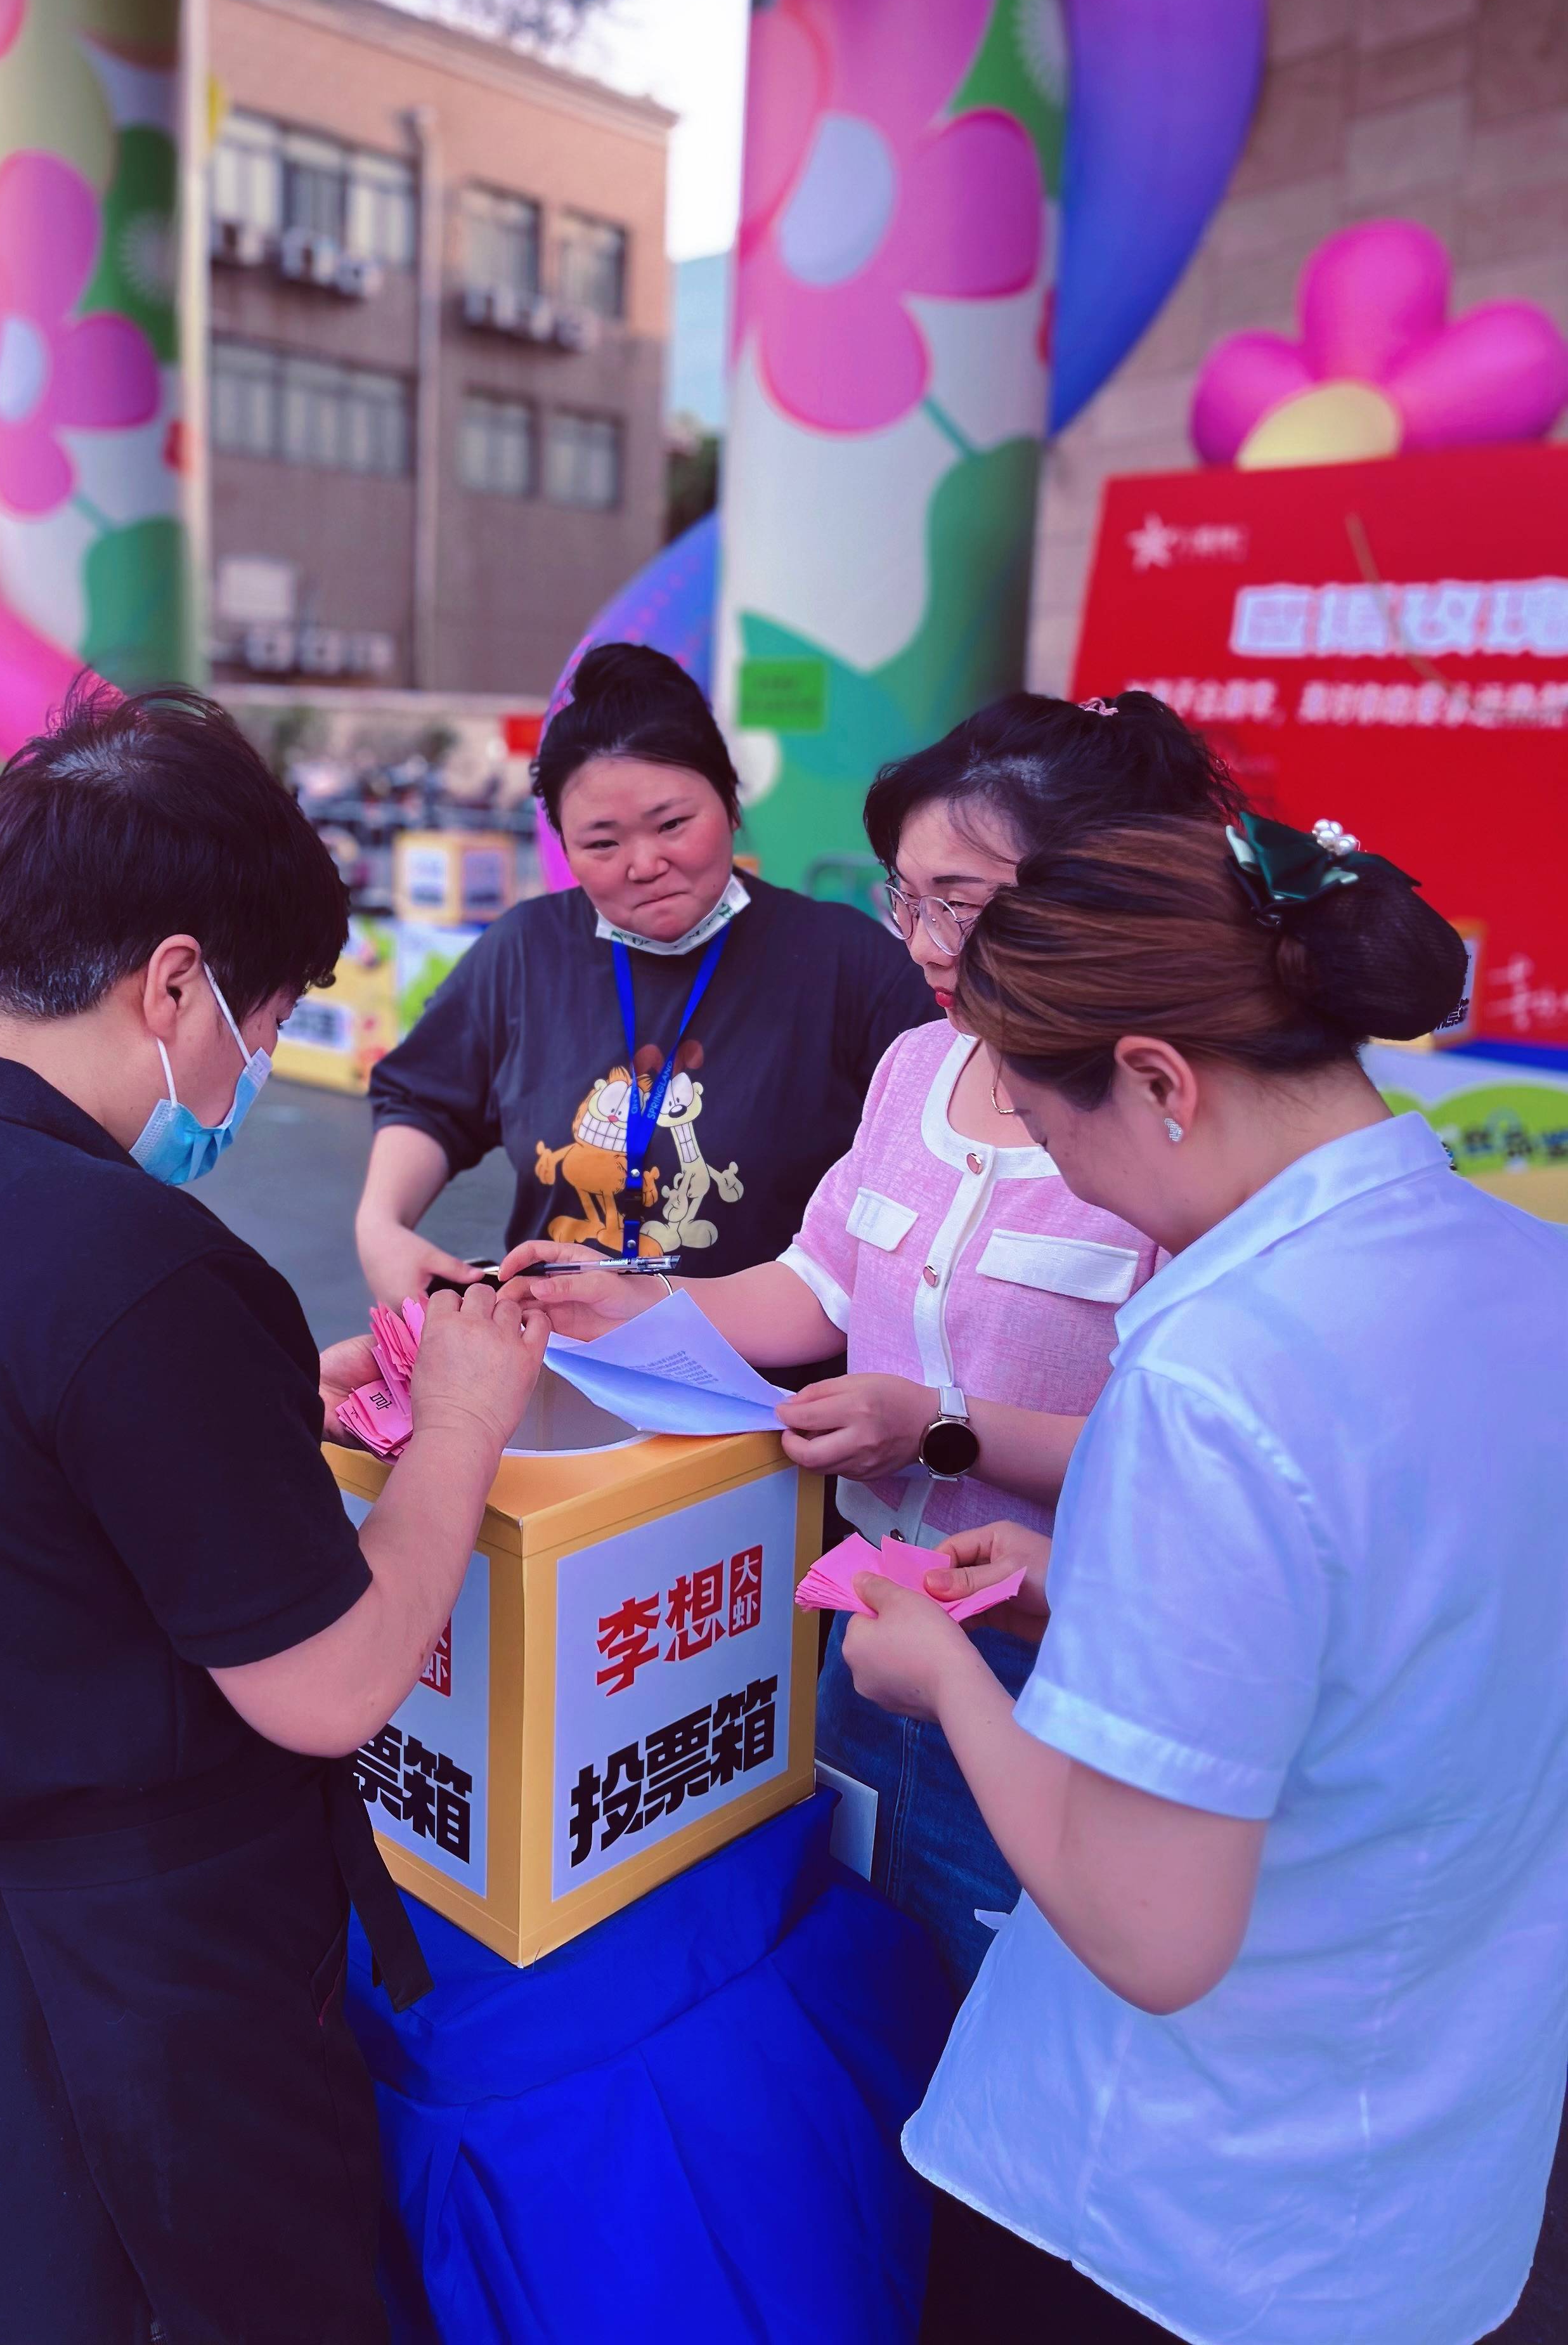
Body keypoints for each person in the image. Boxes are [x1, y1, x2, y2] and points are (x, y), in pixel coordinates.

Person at [0, 687, 548, 2345]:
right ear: (175, 981)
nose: (248, 1065)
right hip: (149, 2012)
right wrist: (459, 1424)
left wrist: (250, 1415)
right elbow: (326, 1687)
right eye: (259, 1015)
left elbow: (3, 1490)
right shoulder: (142, 1271)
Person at [841, 811, 1568, 2344]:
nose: (1081, 1189)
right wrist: (1082, 1592)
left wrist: (948, 1679)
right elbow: (1410, 1640)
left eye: (1060, 1136)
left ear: (1162, 1081)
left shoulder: (1219, 1368)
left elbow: (1149, 1929)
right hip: (1433, 2182)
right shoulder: (1525, 1273)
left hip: (1167, 2216)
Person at [506, 689, 1238, 1989]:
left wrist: (942, 1428)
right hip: (864, 1625)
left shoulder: (1165, 1119)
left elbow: (1194, 1452)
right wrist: (623, 1298)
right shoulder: (916, 1066)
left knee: (1022, 2001)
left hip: (1058, 1662)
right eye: (907, 900)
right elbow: (814, 1283)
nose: (925, 941)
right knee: (860, 1971)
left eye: (962, 900)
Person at [358, 642, 930, 1319]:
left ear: (732, 803)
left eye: (673, 824)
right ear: (564, 847)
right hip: (557, 1364)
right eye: (603, 843)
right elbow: (425, 1099)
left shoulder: (849, 961)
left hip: (767, 1393)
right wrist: (381, 1227)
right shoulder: (525, 950)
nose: (644, 863)